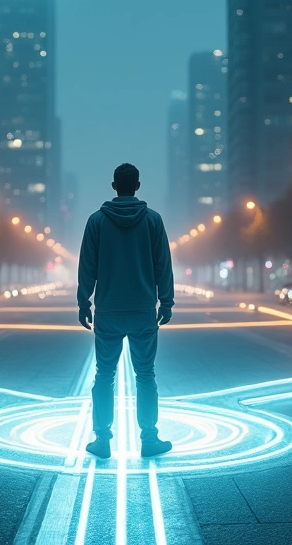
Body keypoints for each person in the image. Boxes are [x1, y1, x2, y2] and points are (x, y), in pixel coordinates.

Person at [77, 163, 174, 459]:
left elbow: (87, 267)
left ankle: (102, 440)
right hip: (143, 310)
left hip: (108, 311)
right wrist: (166, 302)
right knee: (146, 375)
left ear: (113, 186)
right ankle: (149, 438)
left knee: (104, 375)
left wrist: (84, 303)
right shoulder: (153, 221)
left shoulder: (96, 222)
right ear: (138, 186)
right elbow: (163, 265)